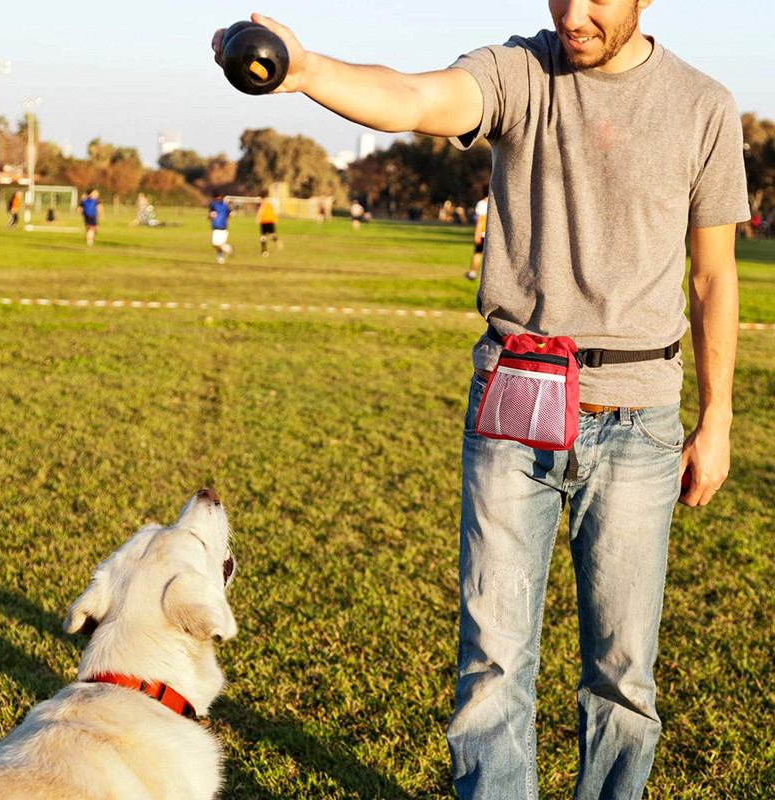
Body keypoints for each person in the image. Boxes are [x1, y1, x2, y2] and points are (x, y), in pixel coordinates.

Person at [213, 5, 749, 798]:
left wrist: (719, 417)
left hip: (641, 416)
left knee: (624, 678)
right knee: (493, 665)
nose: (573, 15)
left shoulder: (703, 104)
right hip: (516, 398)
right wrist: (305, 70)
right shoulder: (516, 73)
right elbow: (418, 99)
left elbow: (713, 277)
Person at [465, 187, 488, 281]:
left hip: (483, 233)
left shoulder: (482, 204)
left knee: (477, 253)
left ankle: (473, 273)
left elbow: (481, 220)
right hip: (493, 234)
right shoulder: (496, 202)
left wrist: (477, 234)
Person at [208, 192, 233, 263]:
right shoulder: (225, 205)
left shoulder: (213, 205)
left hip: (217, 226)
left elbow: (212, 214)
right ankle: (220, 258)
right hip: (224, 227)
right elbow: (231, 214)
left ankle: (228, 249)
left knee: (215, 244)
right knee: (220, 244)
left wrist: (210, 217)